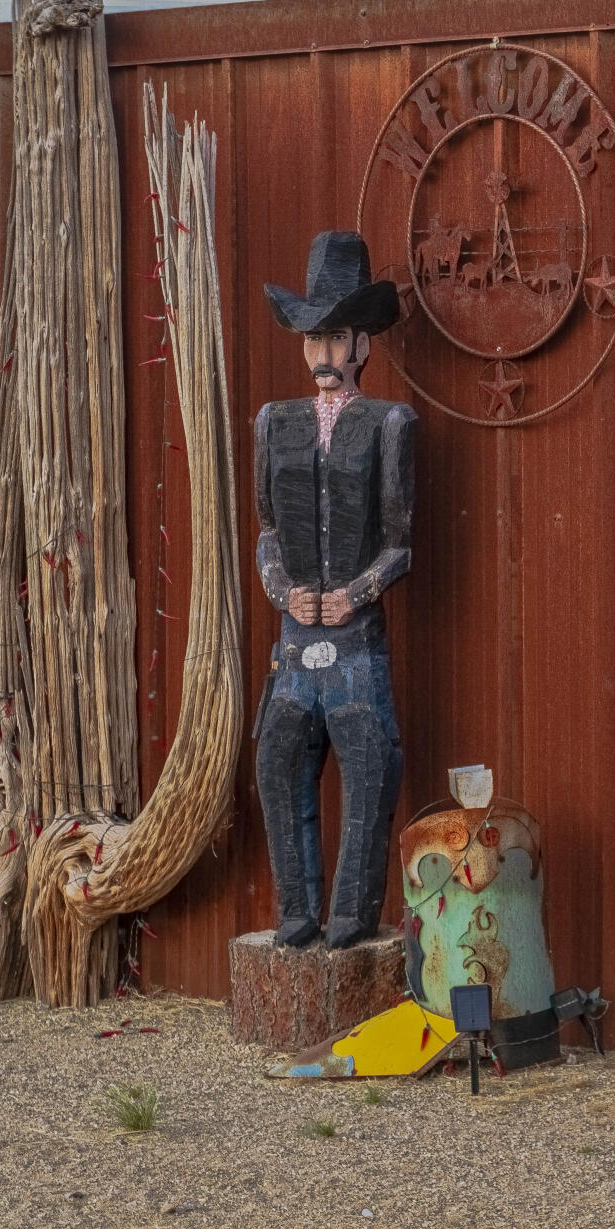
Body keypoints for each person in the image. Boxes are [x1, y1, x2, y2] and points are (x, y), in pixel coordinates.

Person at [251, 232, 416, 950]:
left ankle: (351, 918)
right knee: (274, 761)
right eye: (313, 338)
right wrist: (280, 588)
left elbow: (400, 543)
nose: (323, 355)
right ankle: (296, 915)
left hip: (354, 645)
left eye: (336, 338)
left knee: (371, 764)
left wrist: (360, 591)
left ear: (362, 345)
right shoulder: (273, 423)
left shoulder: (389, 425)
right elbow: (264, 530)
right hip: (295, 644)